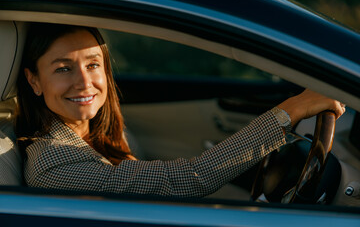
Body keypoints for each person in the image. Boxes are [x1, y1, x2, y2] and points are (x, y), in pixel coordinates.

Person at [15, 23, 346, 197]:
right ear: (34, 81)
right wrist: (291, 110)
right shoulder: (54, 167)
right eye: (62, 69)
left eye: (93, 64)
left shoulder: (88, 135)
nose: (84, 83)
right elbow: (187, 180)